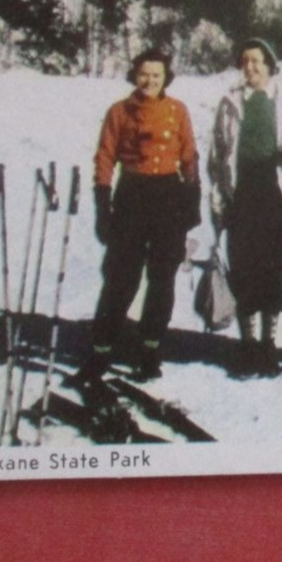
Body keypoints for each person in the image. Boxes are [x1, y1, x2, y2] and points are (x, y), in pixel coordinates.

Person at [86, 49, 201, 383]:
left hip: (168, 197)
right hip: (132, 197)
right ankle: (101, 350)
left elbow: (189, 156)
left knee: (162, 278)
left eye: (157, 75)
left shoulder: (178, 111)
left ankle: (150, 350)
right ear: (134, 76)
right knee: (121, 278)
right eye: (144, 74)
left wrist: (192, 198)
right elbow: (105, 158)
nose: (150, 81)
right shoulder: (119, 112)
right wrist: (103, 205)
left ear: (166, 78)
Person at [207, 37, 282, 376]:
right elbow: (217, 155)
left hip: (277, 193)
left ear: (270, 65)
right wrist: (220, 198)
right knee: (245, 267)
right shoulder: (230, 102)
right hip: (243, 193)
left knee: (273, 266)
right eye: (245, 61)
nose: (250, 67)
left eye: (257, 61)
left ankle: (269, 344)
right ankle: (248, 345)